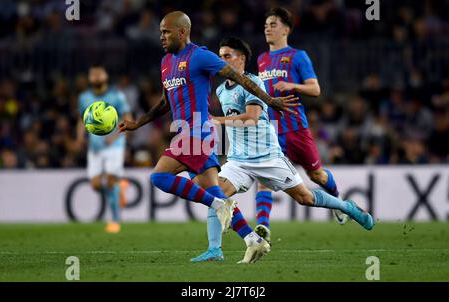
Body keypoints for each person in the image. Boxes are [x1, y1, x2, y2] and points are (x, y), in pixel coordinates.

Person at [118, 11, 297, 259]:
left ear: (182, 32)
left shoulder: (199, 56)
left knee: (159, 177)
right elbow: (165, 101)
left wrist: (267, 99)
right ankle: (248, 240)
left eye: (166, 31)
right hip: (184, 132)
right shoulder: (166, 62)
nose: (161, 37)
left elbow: (238, 77)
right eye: (160, 32)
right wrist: (138, 123)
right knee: (213, 191)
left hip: (197, 131)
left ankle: (219, 207)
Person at [193, 36, 374, 263]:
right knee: (214, 194)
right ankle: (214, 250)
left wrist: (216, 121)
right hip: (239, 160)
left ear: (241, 59)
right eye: (220, 57)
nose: (222, 61)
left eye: (227, 56)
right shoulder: (221, 90)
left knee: (305, 198)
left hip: (268, 157)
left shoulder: (253, 82)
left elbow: (252, 117)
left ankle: (347, 207)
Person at [254, 7, 348, 243]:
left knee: (316, 175)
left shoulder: (298, 56)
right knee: (264, 179)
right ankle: (262, 229)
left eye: (273, 24)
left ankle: (337, 201)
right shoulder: (262, 60)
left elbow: (315, 89)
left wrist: (292, 86)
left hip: (296, 129)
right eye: (266, 24)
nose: (267, 28)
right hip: (272, 132)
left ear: (286, 29)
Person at [77, 66, 132, 233]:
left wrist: (116, 137)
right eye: (92, 74)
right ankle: (120, 187)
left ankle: (115, 221)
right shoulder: (84, 97)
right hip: (95, 146)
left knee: (109, 180)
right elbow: (82, 119)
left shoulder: (117, 95)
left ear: (106, 76)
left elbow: (127, 119)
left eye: (98, 74)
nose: (95, 76)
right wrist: (79, 137)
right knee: (95, 184)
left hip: (114, 144)